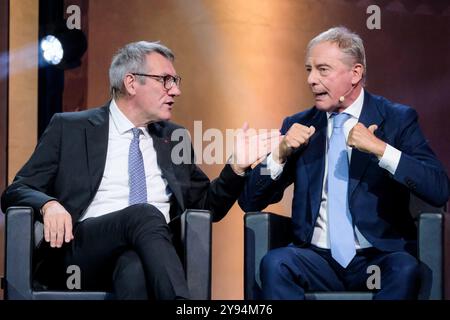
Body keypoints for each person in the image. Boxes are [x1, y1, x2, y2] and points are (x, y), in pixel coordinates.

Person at [1, 41, 277, 300]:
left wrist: (236, 167)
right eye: (166, 80)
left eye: (175, 81)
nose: (175, 90)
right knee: (144, 213)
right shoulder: (71, 128)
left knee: (133, 267)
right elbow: (16, 190)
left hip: (152, 252)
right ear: (131, 82)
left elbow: (205, 207)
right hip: (81, 251)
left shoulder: (174, 137)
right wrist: (49, 205)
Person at [238, 26, 449, 299]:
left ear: (355, 73)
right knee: (276, 263)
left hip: (378, 258)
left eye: (323, 69)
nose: (312, 80)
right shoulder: (299, 125)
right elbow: (250, 201)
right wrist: (278, 154)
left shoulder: (397, 119)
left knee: (405, 268)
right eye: (308, 70)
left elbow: (439, 188)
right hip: (316, 260)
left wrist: (381, 149)